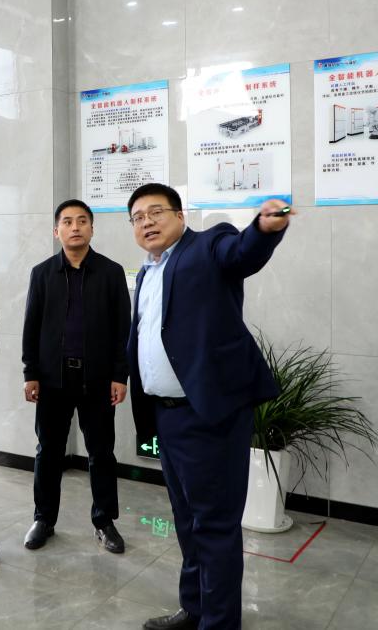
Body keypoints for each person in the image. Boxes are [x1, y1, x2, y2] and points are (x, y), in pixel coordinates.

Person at [125, 184, 291, 630]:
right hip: (166, 416)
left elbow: (242, 252)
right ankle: (195, 608)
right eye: (138, 217)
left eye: (156, 211)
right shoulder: (148, 272)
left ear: (180, 215)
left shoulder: (207, 246)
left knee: (214, 527)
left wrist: (264, 228)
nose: (147, 222)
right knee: (186, 521)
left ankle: (218, 624)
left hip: (209, 415)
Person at [22, 199, 130, 553]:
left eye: (82, 221)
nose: (75, 227)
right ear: (57, 231)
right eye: (67, 222)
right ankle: (43, 519)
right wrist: (30, 373)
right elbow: (31, 327)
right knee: (48, 452)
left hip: (97, 380)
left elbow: (123, 329)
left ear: (92, 229)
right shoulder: (42, 273)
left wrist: (120, 375)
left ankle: (105, 521)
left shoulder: (111, 272)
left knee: (101, 453)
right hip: (52, 380)